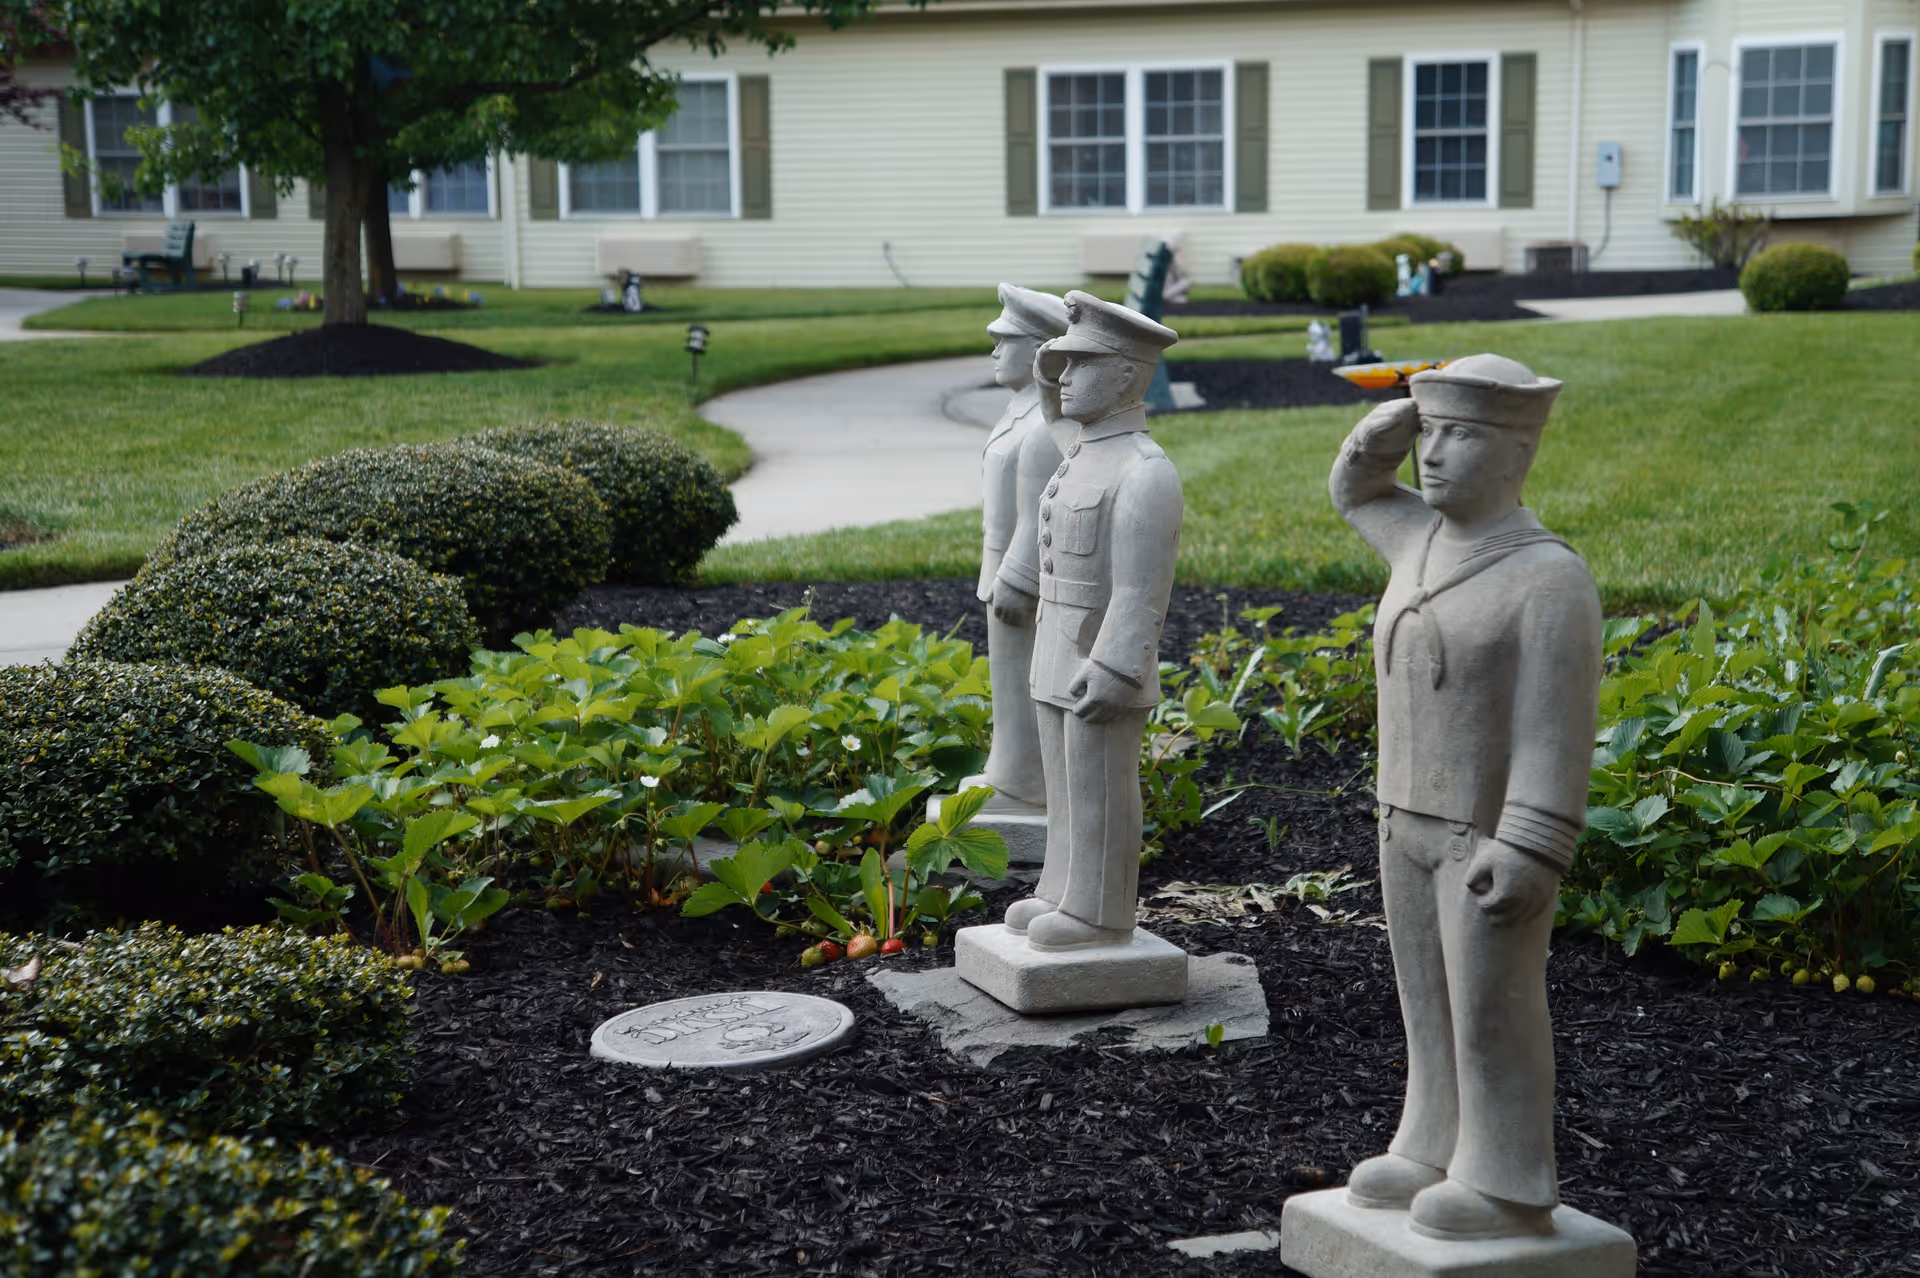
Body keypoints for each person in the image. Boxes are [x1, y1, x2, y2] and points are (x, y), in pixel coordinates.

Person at [1329, 353, 1601, 1241]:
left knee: (1493, 1008)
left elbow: (1552, 732)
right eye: (1430, 434)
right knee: (1426, 1002)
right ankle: (1431, 1139)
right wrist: (1390, 425)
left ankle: (1507, 1177)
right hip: (1403, 816)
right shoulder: (1417, 537)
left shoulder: (1548, 578)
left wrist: (1531, 844)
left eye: (1463, 435)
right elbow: (1358, 489)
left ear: (1519, 451)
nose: (1434, 456)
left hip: (1483, 838)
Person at [997, 291, 1182, 952]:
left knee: (1099, 784)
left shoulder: (1144, 473)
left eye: (1081, 364)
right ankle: (1060, 888)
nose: (1063, 376)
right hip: (1058, 649)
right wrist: (1051, 378)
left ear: (1129, 376)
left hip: (1101, 660)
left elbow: (1139, 592)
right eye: (1060, 363)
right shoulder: (1084, 450)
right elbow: (1056, 413)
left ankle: (1100, 910)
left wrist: (1113, 667)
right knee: (1065, 788)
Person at [963, 284, 1069, 816]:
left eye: (1006, 340)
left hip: (1020, 577)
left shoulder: (1046, 423)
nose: (994, 351)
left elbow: (1040, 504)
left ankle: (1026, 781)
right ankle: (1010, 770)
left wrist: (1021, 575)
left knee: (1022, 673)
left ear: (1039, 351)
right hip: (999, 568)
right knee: (1006, 676)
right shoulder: (1020, 411)